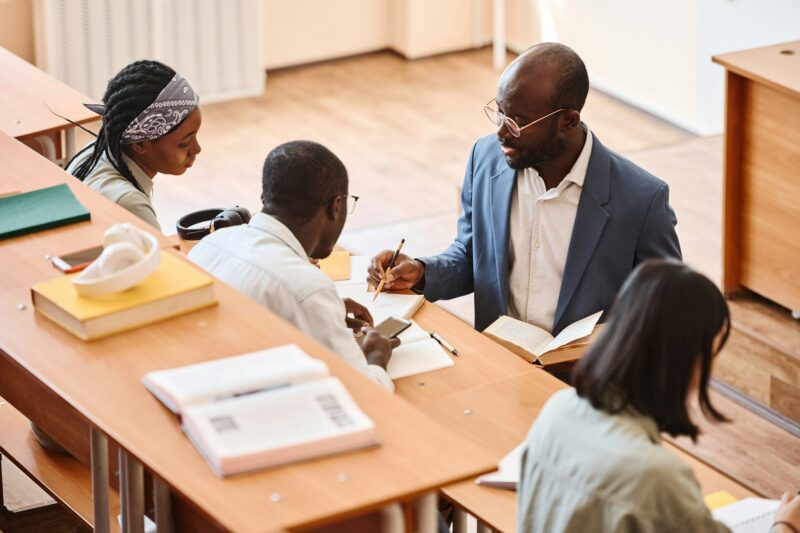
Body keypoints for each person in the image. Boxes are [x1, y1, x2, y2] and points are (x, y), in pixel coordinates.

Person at [368, 43, 681, 335]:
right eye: (500, 113)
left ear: (568, 122)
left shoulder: (641, 200)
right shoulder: (486, 159)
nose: (501, 132)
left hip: (587, 379)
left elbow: (670, 307)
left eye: (517, 121)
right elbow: (471, 255)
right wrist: (421, 271)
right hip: (502, 359)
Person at [516, 259, 800, 533]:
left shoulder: (556, 412)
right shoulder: (657, 478)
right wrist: (785, 525)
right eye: (708, 357)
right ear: (683, 362)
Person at [189, 140, 398, 391]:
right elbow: (368, 394)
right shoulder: (308, 290)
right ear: (336, 206)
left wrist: (321, 315)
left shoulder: (211, 244)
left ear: (265, 196)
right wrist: (376, 358)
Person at [67, 60, 202, 231]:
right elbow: (163, 256)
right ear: (140, 144)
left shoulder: (92, 152)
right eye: (184, 143)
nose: (197, 149)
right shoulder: (129, 204)